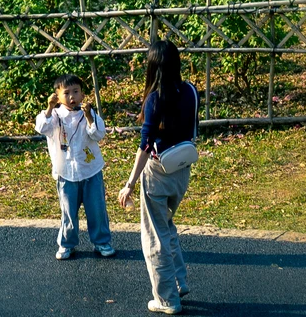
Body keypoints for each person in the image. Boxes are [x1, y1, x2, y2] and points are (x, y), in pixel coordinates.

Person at [117, 40, 199, 315]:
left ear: (152, 67)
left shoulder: (154, 99)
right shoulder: (190, 90)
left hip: (158, 172)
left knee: (154, 237)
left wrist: (129, 184)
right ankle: (179, 281)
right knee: (166, 227)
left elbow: (145, 146)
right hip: (182, 170)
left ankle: (166, 299)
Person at [35, 74, 115, 260]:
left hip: (90, 170)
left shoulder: (88, 113)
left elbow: (98, 134)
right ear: (57, 96)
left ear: (82, 95)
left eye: (76, 92)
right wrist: (49, 107)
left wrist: (89, 117)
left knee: (97, 209)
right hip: (66, 172)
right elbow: (42, 127)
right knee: (68, 211)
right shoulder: (55, 115)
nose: (72, 97)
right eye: (66, 93)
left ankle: (101, 241)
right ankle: (66, 243)